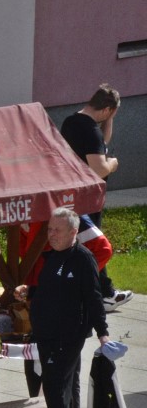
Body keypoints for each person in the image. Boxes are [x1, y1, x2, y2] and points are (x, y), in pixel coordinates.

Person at [15, 208, 109, 408]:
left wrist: (103, 333)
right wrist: (30, 291)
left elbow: (93, 298)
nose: (51, 235)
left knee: (56, 395)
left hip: (65, 338)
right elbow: (50, 290)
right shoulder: (54, 256)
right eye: (49, 229)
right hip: (48, 336)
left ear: (73, 232)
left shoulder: (83, 259)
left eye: (57, 230)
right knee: (58, 394)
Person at [59, 83, 132, 312]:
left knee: (84, 244)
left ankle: (103, 291)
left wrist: (108, 120)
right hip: (87, 198)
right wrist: (113, 164)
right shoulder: (90, 130)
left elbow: (100, 144)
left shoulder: (71, 122)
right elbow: (99, 168)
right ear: (107, 109)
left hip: (72, 194)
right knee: (94, 245)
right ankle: (104, 294)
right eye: (111, 113)